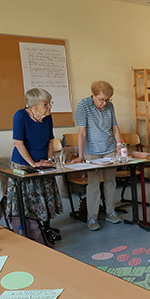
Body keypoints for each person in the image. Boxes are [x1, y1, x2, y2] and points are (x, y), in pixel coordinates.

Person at [6, 88, 63, 243]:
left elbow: (50, 139)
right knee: (29, 199)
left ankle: (45, 228)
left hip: (43, 163)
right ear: (33, 105)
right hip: (24, 164)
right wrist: (33, 164)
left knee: (46, 195)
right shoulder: (20, 116)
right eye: (45, 104)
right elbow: (18, 142)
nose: (49, 107)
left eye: (50, 103)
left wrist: (49, 160)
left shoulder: (47, 118)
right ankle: (31, 229)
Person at [72, 81, 122, 231]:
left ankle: (110, 212)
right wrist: (80, 155)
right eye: (102, 100)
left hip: (109, 149)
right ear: (93, 95)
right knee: (94, 184)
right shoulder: (83, 106)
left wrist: (119, 145)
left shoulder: (109, 106)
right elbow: (81, 132)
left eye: (108, 99)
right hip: (92, 151)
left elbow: (115, 127)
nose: (105, 103)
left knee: (110, 181)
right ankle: (92, 217)